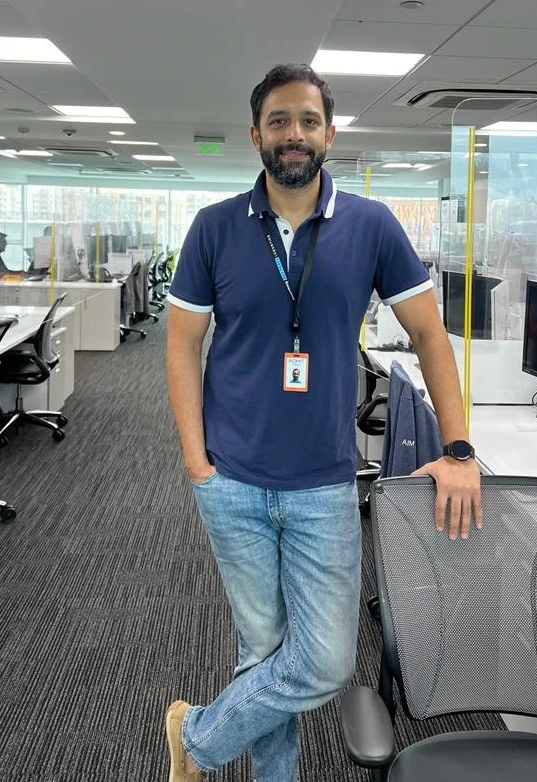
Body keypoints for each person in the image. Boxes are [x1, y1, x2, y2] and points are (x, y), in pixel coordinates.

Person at [165, 63, 481, 782]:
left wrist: (459, 448)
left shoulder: (371, 226)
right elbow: (181, 344)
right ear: (255, 136)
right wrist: (196, 463)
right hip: (232, 480)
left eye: (308, 120)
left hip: (323, 485)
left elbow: (431, 337)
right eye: (278, 121)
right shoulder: (214, 227)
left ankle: (197, 738)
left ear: (329, 132)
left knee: (326, 663)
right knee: (264, 652)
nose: (294, 134)